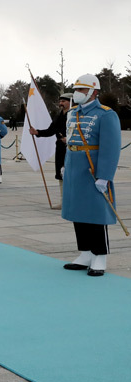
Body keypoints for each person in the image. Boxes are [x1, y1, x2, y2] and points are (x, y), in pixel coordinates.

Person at [61, 74, 121, 277]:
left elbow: (110, 148)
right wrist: (65, 166)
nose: (77, 93)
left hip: (93, 171)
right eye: (76, 89)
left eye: (82, 90)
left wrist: (104, 176)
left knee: (96, 214)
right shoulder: (72, 113)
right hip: (74, 169)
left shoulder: (106, 114)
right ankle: (85, 253)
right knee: (78, 212)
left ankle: (100, 256)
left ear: (93, 92)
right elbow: (70, 142)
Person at [30, 93, 72, 209]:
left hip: (73, 149)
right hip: (60, 148)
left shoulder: (76, 115)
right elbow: (51, 130)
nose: (61, 103)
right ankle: (64, 202)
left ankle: (74, 202)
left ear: (71, 101)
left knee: (72, 174)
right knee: (61, 174)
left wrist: (69, 139)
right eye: (60, 101)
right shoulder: (59, 116)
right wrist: (37, 132)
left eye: (64, 101)